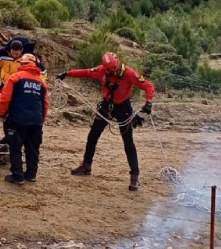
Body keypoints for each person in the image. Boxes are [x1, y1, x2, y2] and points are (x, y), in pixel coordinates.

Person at [58, 51, 154, 191]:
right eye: (108, 70)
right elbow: (85, 72)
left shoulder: (129, 73)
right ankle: (86, 165)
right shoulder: (101, 70)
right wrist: (67, 73)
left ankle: (134, 176)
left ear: (117, 63)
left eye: (112, 69)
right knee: (92, 136)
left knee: (128, 142)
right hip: (106, 106)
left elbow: (148, 86)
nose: (110, 72)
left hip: (123, 108)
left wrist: (149, 102)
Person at [0, 54, 50, 185]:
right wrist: (41, 121)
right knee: (33, 149)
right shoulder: (41, 83)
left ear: (22, 64)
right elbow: (45, 104)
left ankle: (17, 176)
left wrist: (2, 113)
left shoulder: (15, 77)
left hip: (17, 120)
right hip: (36, 122)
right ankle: (31, 174)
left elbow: (5, 98)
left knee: (15, 148)